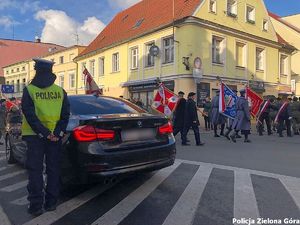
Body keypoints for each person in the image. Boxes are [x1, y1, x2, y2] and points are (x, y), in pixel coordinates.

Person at [21, 58, 70, 216]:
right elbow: (65, 115)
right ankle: (51, 203)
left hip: (34, 136)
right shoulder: (60, 91)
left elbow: (29, 115)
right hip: (54, 138)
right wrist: (57, 133)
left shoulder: (29, 90)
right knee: (53, 169)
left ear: (37, 71)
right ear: (51, 72)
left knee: (35, 171)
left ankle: (35, 206)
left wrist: (44, 132)